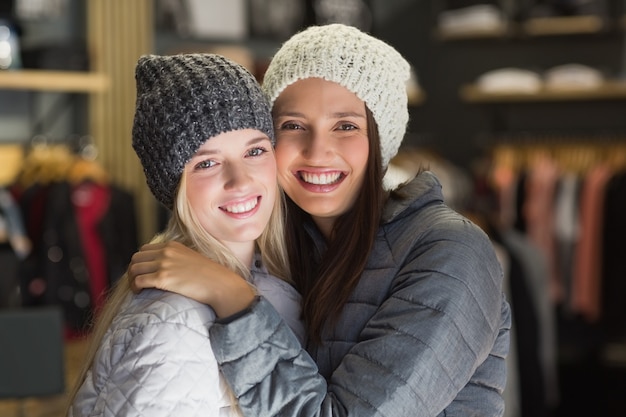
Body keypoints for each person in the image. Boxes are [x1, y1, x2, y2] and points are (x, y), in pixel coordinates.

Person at [130, 24, 511, 417]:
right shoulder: (281, 254)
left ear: (380, 140)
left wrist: (234, 298)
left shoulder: (450, 253)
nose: (317, 152)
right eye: (293, 126)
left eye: (345, 126)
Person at [67, 53, 305, 417]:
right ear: (172, 185)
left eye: (254, 150)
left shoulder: (270, 281)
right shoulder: (173, 329)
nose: (240, 180)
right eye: (206, 163)